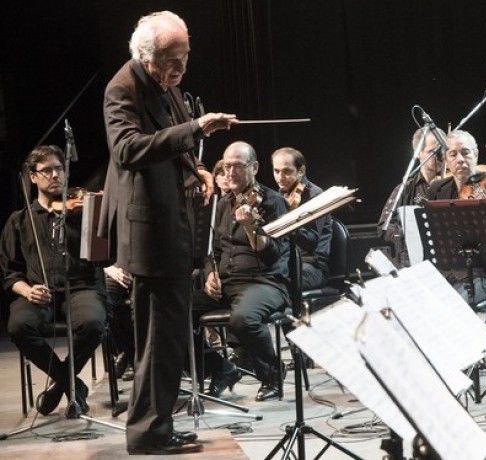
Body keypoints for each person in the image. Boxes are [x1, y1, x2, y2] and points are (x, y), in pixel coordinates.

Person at [100, 10, 237, 455]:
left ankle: (156, 427)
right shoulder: (122, 88)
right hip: (149, 232)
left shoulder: (168, 85)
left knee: (170, 335)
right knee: (157, 339)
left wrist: (197, 168)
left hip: (173, 226)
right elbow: (127, 149)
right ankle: (147, 434)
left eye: (185, 58)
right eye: (171, 60)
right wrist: (195, 128)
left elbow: (178, 146)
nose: (180, 70)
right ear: (146, 56)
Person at [1, 145, 107, 416]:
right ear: (33, 176)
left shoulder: (81, 213)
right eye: (47, 170)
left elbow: (103, 255)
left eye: (59, 169)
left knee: (94, 323)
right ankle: (72, 385)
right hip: (40, 292)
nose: (55, 174)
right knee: (19, 326)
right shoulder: (19, 221)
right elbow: (9, 272)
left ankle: (61, 386)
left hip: (81, 287)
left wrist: (95, 218)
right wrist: (27, 290)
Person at [193, 141, 291, 401]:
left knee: (243, 319)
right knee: (173, 312)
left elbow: (272, 255)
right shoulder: (223, 205)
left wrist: (250, 227)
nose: (230, 172)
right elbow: (212, 251)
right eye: (226, 166)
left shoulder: (273, 202)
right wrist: (210, 274)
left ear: (254, 168)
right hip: (228, 282)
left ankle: (272, 374)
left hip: (265, 283)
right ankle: (220, 368)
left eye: (237, 166)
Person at [425, 130, 486, 306]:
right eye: (453, 154)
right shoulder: (437, 190)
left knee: (454, 307)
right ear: (446, 159)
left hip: (483, 275)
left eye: (465, 152)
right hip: (448, 273)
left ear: (475, 154)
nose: (460, 159)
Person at [377, 127, 444, 267]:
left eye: (443, 151)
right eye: (434, 152)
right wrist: (409, 233)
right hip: (415, 261)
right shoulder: (406, 189)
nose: (440, 157)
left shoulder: (453, 186)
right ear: (418, 153)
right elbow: (384, 226)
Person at [272, 147, 332, 290]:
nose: (280, 177)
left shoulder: (315, 196)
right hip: (286, 263)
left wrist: (288, 219)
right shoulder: (278, 196)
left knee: (278, 285)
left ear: (301, 171)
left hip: (312, 267)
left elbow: (310, 244)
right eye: (276, 171)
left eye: (287, 171)